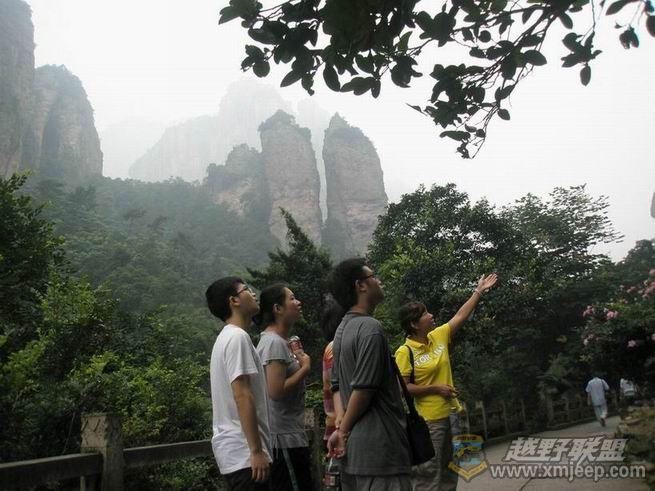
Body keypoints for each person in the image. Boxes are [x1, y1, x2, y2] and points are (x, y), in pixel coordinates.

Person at [394, 273, 498, 491]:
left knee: (451, 468)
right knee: (429, 472)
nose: (432, 316)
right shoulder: (405, 351)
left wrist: (478, 291)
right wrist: (435, 388)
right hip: (429, 420)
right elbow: (404, 388)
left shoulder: (438, 336)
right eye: (425, 314)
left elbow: (461, 315)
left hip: (451, 414)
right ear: (414, 324)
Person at [328, 258, 411, 491]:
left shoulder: (342, 329)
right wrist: (343, 430)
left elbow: (336, 384)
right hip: (381, 451)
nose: (379, 281)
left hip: (356, 453)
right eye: (373, 276)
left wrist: (341, 425)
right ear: (361, 286)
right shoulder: (370, 328)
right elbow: (364, 388)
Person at [206, 277, 271, 491]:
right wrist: (256, 451)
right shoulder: (237, 338)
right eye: (247, 290)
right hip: (245, 455)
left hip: (237, 453)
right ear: (234, 300)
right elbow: (242, 395)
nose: (253, 294)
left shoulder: (225, 338)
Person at [254, 283, 313, 491]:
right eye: (292, 298)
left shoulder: (281, 341)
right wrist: (305, 368)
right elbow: (275, 391)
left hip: (290, 436)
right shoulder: (274, 343)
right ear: (277, 308)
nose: (298, 302)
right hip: (283, 440)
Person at [321, 295, 345, 449]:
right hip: (341, 432)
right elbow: (339, 388)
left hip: (340, 429)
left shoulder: (335, 346)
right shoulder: (335, 347)